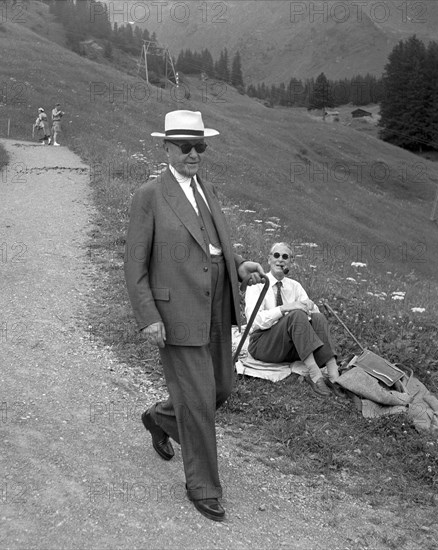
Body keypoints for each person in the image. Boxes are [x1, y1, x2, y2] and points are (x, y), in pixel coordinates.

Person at [124, 110, 266, 522]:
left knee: (221, 387)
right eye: (185, 146)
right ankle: (203, 486)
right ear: (167, 147)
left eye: (199, 146)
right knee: (201, 400)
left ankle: (160, 418)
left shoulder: (207, 188)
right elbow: (134, 263)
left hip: (218, 302)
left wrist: (238, 266)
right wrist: (148, 315)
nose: (193, 154)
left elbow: (213, 244)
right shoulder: (149, 195)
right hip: (176, 310)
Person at [245, 242, 341, 397]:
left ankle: (333, 374)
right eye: (276, 255)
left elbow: (312, 315)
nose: (280, 260)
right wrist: (284, 308)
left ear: (291, 262)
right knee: (295, 314)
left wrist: (310, 306)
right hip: (263, 345)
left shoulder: (295, 286)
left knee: (318, 316)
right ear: (269, 259)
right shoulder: (258, 284)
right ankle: (315, 375)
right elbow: (254, 321)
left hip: (291, 347)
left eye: (285, 257)